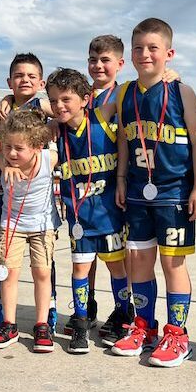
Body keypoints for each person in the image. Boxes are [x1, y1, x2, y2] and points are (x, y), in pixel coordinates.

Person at [113, 18, 196, 368]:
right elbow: (124, 138)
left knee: (172, 263)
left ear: (169, 53)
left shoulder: (182, 91)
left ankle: (177, 334)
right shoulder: (124, 93)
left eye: (153, 48)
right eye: (138, 48)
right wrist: (121, 177)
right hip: (138, 191)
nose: (145, 54)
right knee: (139, 260)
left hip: (174, 192)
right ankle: (144, 326)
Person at [46, 68, 131, 353]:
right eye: (54, 100)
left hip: (109, 214)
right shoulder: (55, 131)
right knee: (79, 269)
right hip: (79, 216)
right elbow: (29, 112)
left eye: (66, 100)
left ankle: (123, 315)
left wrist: (170, 75)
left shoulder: (101, 116)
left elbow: (128, 93)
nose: (59, 106)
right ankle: (81, 322)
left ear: (85, 99)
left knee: (116, 267)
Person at [0, 109, 60, 352]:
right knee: (8, 273)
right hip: (11, 225)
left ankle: (42, 325)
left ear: (36, 147)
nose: (12, 153)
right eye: (7, 147)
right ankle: (9, 324)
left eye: (19, 148)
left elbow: (65, 132)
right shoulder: (3, 159)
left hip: (42, 226)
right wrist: (3, 162)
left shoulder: (49, 158)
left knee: (42, 273)